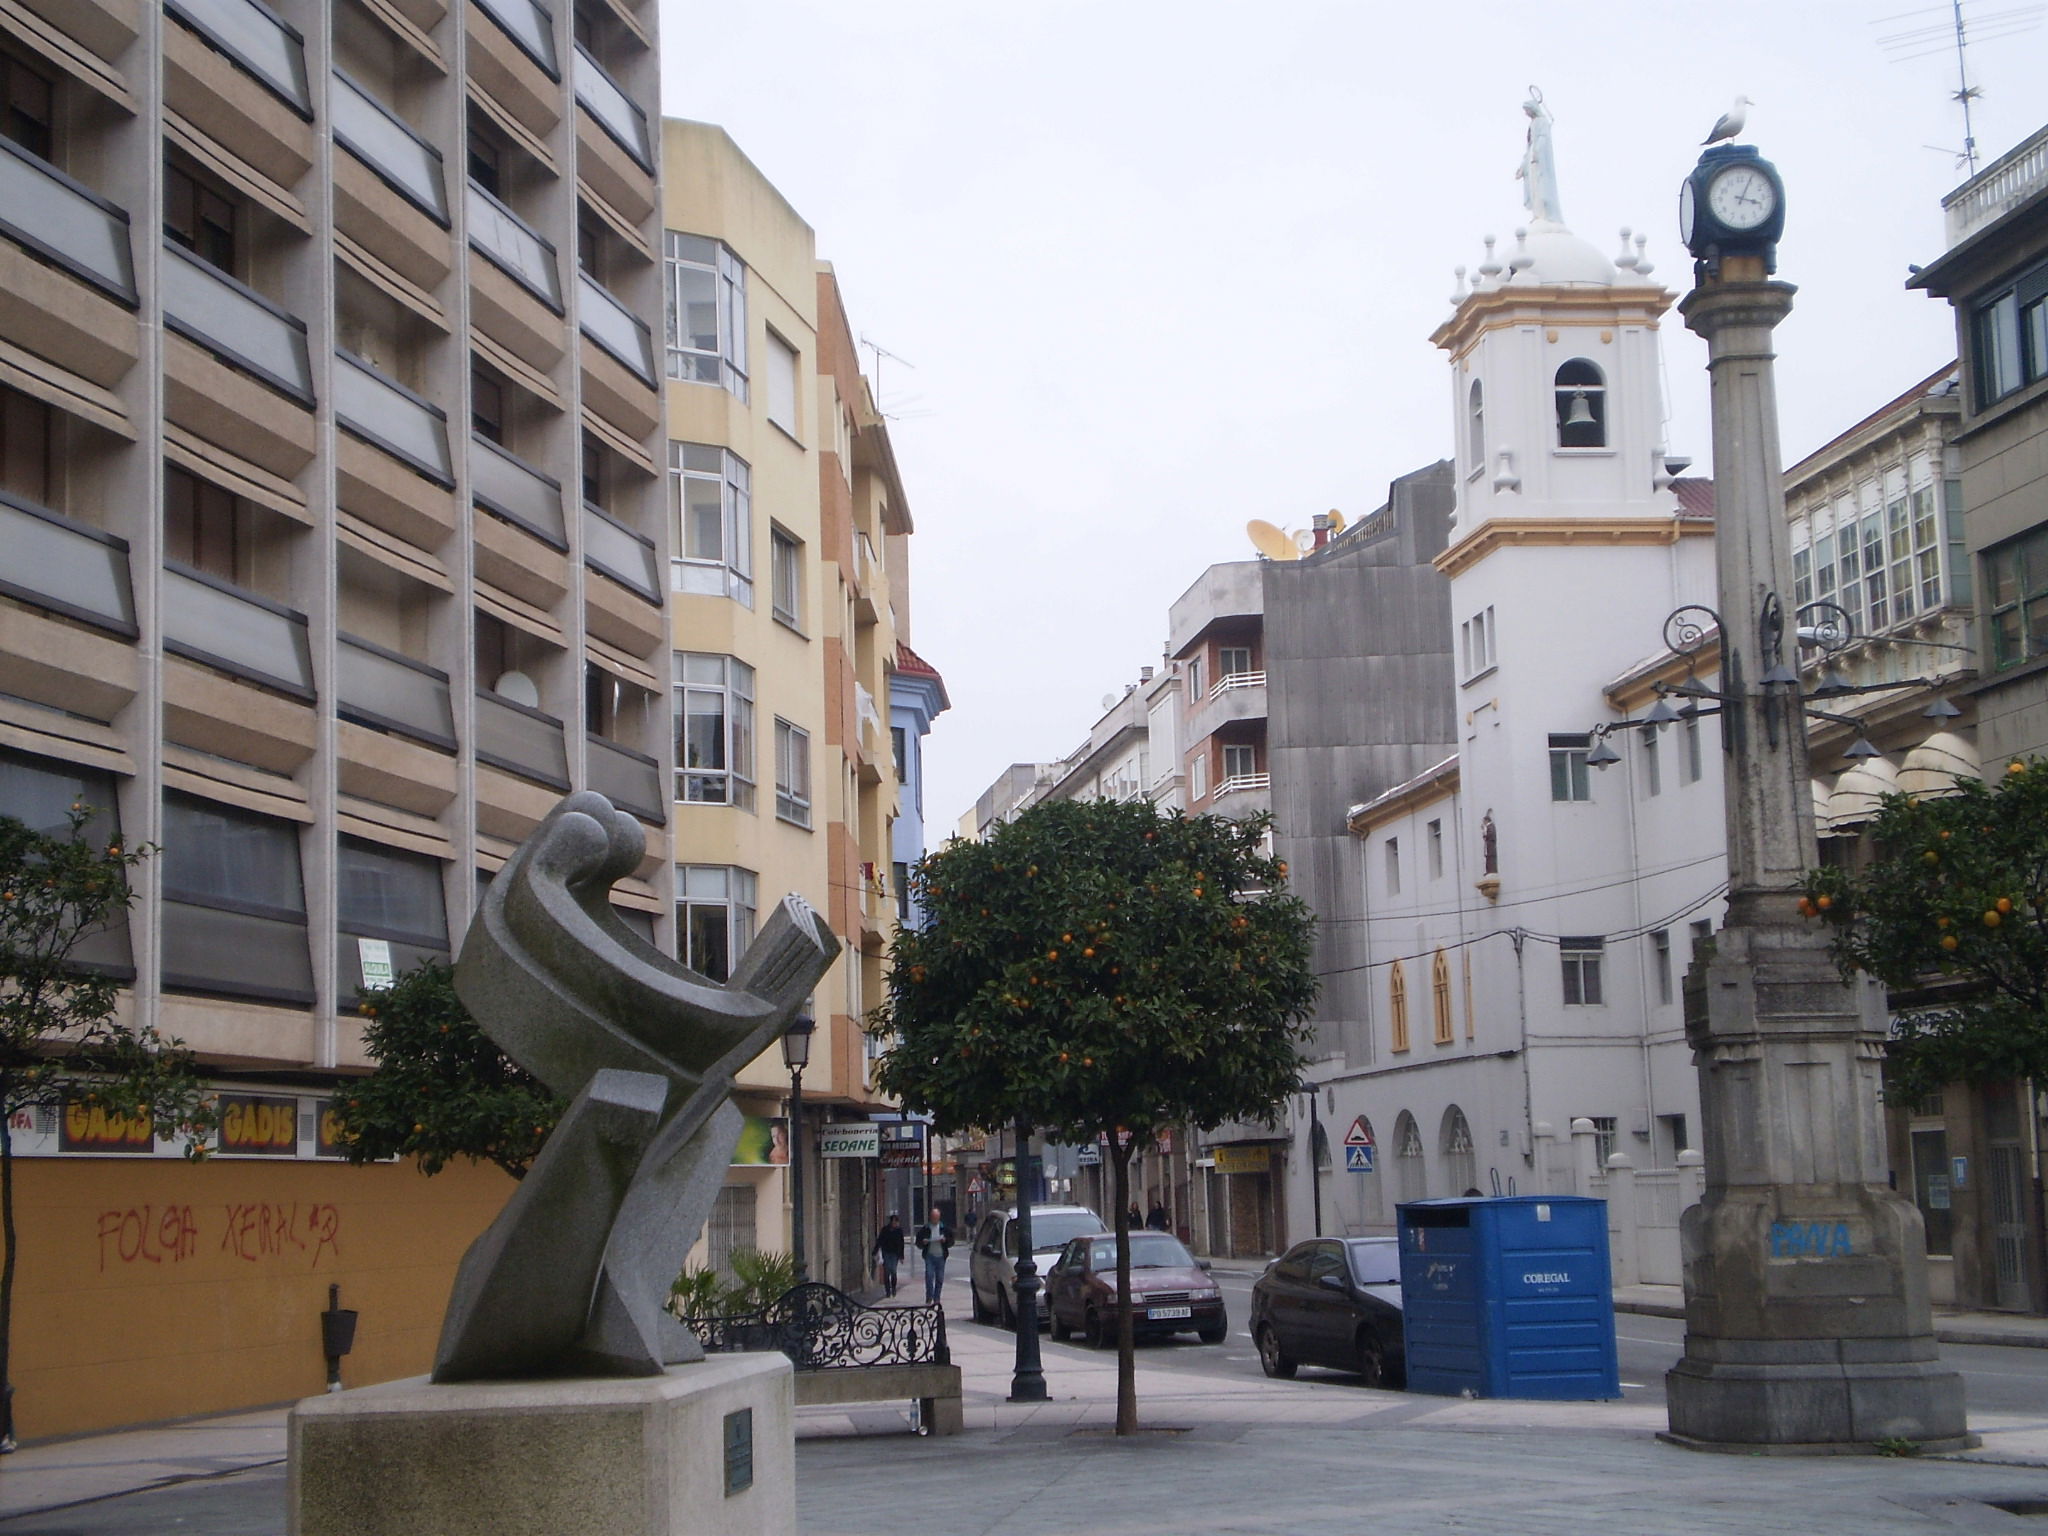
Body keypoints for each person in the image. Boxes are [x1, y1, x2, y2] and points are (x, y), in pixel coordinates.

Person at [914, 1206, 950, 1304]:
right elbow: (918, 1241)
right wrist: (923, 1242)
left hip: (941, 1256)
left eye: (937, 1217)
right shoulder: (926, 1228)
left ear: (939, 1218)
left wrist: (945, 1240)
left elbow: (951, 1240)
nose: (935, 1219)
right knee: (929, 1276)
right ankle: (929, 1296)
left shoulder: (943, 1228)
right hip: (929, 1255)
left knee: (940, 1278)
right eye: (933, 1217)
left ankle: (937, 1297)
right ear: (931, 1217)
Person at [872, 1212, 906, 1298]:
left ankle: (893, 1288)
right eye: (895, 1222)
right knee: (887, 1272)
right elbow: (880, 1240)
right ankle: (887, 1290)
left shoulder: (899, 1231)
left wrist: (901, 1256)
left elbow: (901, 1244)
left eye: (897, 1222)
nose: (896, 1224)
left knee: (893, 1271)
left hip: (895, 1254)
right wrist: (875, 1251)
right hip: (886, 1252)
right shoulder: (885, 1230)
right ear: (891, 1222)